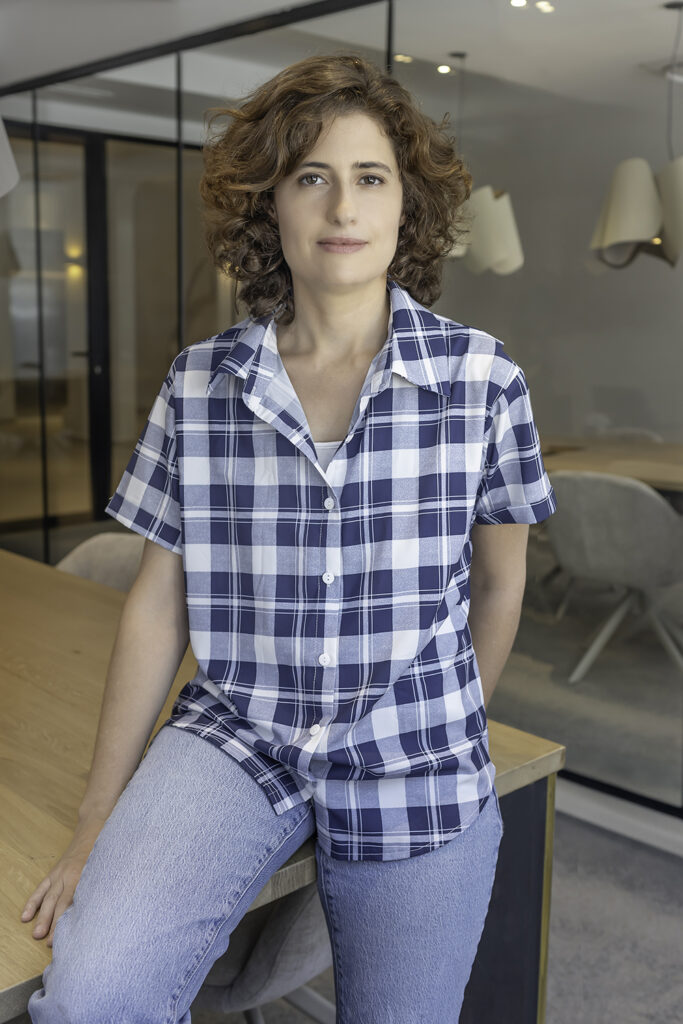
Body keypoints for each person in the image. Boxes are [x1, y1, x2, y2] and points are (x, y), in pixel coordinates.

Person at [22, 52, 556, 1022]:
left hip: (414, 756)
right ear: (269, 204)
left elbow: (498, 585)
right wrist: (97, 818)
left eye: (368, 177)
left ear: (407, 206)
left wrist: (451, 724)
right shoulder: (200, 381)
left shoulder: (482, 379)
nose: (340, 205)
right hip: (235, 736)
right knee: (92, 996)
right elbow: (155, 599)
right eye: (309, 176)